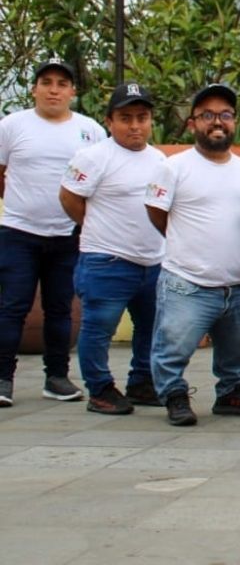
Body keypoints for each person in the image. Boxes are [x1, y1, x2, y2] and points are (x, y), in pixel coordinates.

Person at [145, 83, 240, 426]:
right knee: (173, 347)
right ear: (192, 123)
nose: (218, 122)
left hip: (236, 282)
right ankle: (174, 395)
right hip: (188, 282)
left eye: (225, 115)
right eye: (208, 115)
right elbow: (156, 212)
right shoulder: (174, 167)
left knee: (236, 351)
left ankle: (232, 392)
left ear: (234, 122)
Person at [0, 58, 105, 407]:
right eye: (46, 82)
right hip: (17, 233)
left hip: (67, 235)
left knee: (60, 309)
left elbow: (97, 181)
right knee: (12, 306)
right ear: (34, 88)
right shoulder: (12, 126)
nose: (54, 90)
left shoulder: (90, 131)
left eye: (62, 83)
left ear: (73, 92)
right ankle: (3, 379)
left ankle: (57, 377)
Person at [59, 83, 165, 414]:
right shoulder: (93, 157)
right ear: (109, 121)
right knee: (99, 326)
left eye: (142, 117)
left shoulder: (160, 159)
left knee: (152, 326)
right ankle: (101, 388)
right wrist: (97, 229)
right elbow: (69, 198)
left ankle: (142, 383)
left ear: (150, 121)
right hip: (107, 261)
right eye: (125, 118)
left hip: (153, 261)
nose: (134, 125)